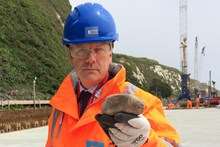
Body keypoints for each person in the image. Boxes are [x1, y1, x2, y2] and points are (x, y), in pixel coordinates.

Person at [45, 2, 180, 147]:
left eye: (99, 49)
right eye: (81, 50)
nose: (90, 59)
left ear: (110, 52)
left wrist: (146, 141)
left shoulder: (141, 104)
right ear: (70, 55)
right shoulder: (60, 108)